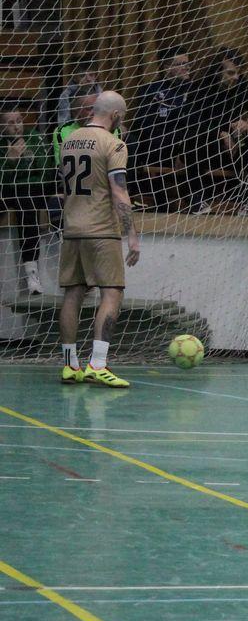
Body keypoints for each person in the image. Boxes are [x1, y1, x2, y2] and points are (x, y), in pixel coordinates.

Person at [57, 91, 138, 388]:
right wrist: (132, 235)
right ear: (115, 116)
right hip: (102, 230)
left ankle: (70, 365)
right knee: (112, 293)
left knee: (73, 293)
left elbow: (64, 186)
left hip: (71, 228)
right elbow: (119, 191)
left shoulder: (69, 140)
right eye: (122, 117)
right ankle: (98, 364)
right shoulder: (114, 144)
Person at [189, 48, 248, 213]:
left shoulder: (245, 87)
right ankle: (197, 199)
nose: (236, 77)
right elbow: (193, 123)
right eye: (231, 73)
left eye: (238, 73)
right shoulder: (200, 89)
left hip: (238, 148)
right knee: (193, 141)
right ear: (217, 72)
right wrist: (220, 133)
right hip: (209, 146)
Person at [1, 110, 51, 295]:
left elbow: (45, 171)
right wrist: (10, 161)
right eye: (11, 123)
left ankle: (32, 273)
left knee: (26, 202)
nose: (17, 126)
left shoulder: (34, 138)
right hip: (7, 191)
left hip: (32, 191)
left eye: (19, 120)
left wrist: (17, 174)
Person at [134, 47, 193, 199]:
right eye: (181, 64)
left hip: (187, 144)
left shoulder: (196, 90)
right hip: (160, 144)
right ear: (167, 68)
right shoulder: (151, 90)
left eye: (188, 63)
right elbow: (145, 125)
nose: (187, 67)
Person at [54, 57, 101, 127]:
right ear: (74, 77)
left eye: (91, 75)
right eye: (82, 76)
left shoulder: (98, 91)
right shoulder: (66, 95)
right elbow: (63, 121)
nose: (88, 79)